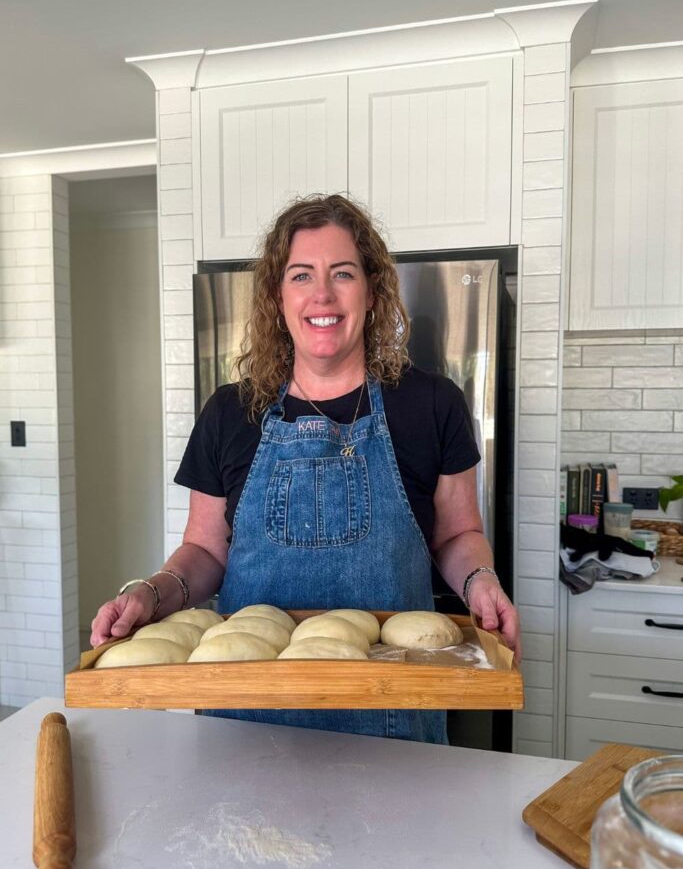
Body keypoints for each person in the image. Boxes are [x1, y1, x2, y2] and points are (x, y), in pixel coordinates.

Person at [91, 193, 520, 744]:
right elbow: (203, 551)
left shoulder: (432, 404)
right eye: (301, 275)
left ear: (371, 291)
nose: (322, 294)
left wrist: (481, 581)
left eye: (342, 273)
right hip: (244, 716)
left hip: (390, 719)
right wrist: (151, 592)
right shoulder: (229, 411)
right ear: (278, 296)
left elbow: (458, 533)